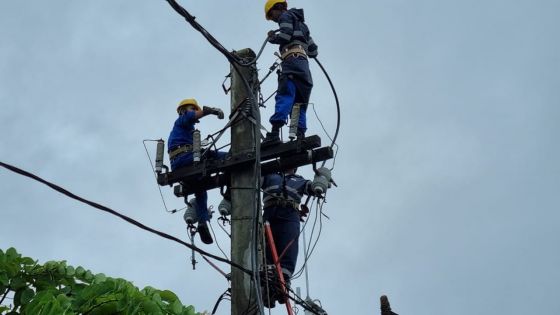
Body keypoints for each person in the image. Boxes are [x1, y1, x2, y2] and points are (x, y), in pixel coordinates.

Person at [262, 0, 319, 147]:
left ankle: (274, 133)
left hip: (291, 62)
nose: (273, 19)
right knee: (299, 103)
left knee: (285, 95)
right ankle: (300, 135)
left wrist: (272, 38)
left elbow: (285, 36)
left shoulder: (285, 16)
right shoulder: (303, 25)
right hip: (304, 68)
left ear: (277, 8)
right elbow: (313, 51)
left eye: (271, 15)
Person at [168, 98, 225, 244]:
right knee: (214, 157)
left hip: (185, 160)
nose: (194, 112)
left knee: (201, 189)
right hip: (183, 159)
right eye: (192, 109)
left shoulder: (188, 130)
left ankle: (202, 222)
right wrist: (209, 111)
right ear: (183, 110)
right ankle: (236, 155)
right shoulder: (180, 121)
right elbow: (190, 116)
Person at [261, 168, 320, 307]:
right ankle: (268, 288)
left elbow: (311, 187)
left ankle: (283, 281)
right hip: (270, 211)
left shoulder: (299, 180)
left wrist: (320, 181)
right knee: (266, 248)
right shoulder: (270, 175)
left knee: (289, 246)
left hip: (290, 213)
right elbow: (254, 179)